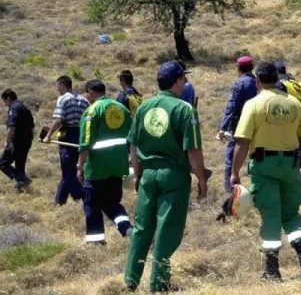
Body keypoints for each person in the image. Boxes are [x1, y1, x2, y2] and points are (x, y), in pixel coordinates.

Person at [230, 61, 301, 280]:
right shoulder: (294, 104)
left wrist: (234, 172)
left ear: (257, 81)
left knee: (271, 215)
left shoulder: (253, 104)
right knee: (291, 213)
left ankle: (272, 270)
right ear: (277, 80)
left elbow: (242, 142)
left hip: (264, 166)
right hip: (291, 165)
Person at [124, 61, 207, 292]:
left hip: (148, 174)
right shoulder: (184, 109)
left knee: (142, 228)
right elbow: (193, 151)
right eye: (184, 78)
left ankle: (130, 281)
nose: (186, 82)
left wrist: (138, 175)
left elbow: (133, 145)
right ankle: (158, 284)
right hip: (174, 175)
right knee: (166, 230)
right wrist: (201, 179)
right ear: (177, 81)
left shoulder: (143, 108)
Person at [77, 80, 133, 244]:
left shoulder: (91, 112)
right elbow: (131, 137)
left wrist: (80, 165)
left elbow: (85, 142)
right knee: (111, 202)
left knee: (92, 205)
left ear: (90, 92)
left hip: (97, 169)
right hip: (117, 166)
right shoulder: (121, 109)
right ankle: (127, 228)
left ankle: (96, 242)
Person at [44, 76, 89, 205]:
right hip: (81, 135)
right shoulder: (84, 100)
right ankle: (62, 200)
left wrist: (48, 135)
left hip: (68, 135)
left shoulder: (63, 99)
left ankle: (77, 197)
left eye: (58, 86)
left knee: (68, 170)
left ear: (63, 85)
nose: (57, 88)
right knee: (78, 168)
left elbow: (59, 120)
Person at [217, 56, 257, 193]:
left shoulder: (239, 84)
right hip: (257, 124)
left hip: (240, 125)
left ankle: (230, 187)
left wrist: (223, 128)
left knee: (231, 155)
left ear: (238, 68)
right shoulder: (258, 82)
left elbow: (231, 107)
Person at [0, 89, 34, 191]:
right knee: (20, 165)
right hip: (27, 141)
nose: (5, 104)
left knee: (2, 163)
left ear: (9, 98)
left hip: (17, 141)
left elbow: (12, 127)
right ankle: (21, 189)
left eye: (5, 101)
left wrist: (6, 141)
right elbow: (32, 127)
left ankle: (23, 179)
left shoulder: (14, 108)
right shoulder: (24, 107)